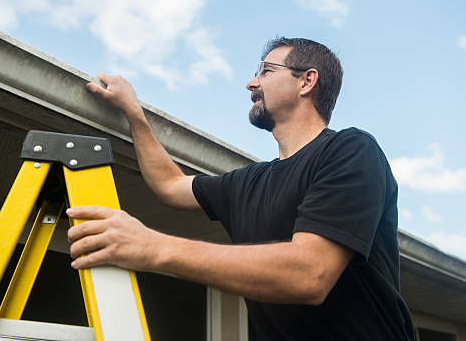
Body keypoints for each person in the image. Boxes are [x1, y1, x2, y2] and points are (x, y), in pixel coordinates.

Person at [67, 37, 415, 340]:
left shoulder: (351, 151)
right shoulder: (247, 183)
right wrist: (134, 114)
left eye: (266, 71)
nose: (251, 82)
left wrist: (152, 247)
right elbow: (170, 185)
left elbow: (311, 272)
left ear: (307, 81)